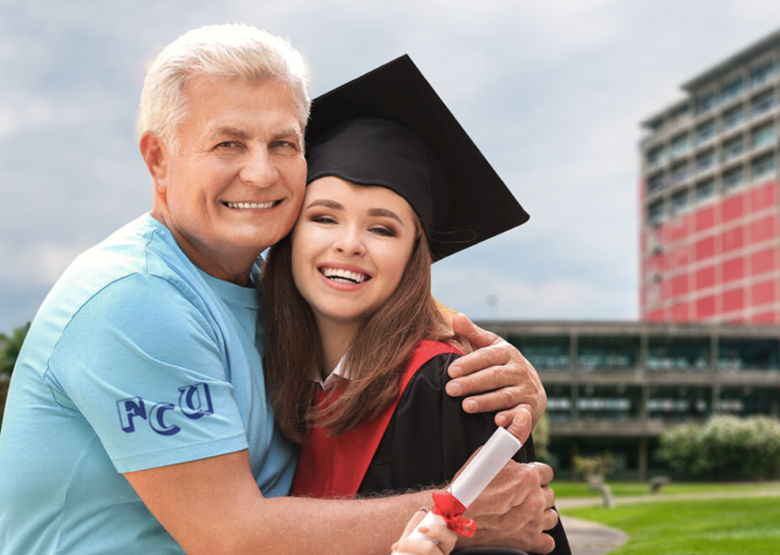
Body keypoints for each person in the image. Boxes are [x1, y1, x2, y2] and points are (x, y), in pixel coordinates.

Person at [0, 24, 556, 554]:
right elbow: (232, 540)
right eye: (228, 143)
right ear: (157, 158)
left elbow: (383, 299)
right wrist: (459, 512)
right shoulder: (133, 299)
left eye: (284, 143)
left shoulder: (268, 291)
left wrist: (517, 379)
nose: (262, 174)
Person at [259, 56, 570, 555]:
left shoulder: (450, 386)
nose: (349, 243)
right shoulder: (275, 369)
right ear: (288, 235)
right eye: (323, 217)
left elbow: (516, 541)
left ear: (412, 257)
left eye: (383, 228)